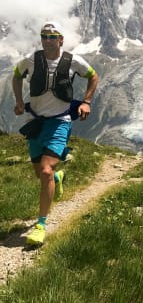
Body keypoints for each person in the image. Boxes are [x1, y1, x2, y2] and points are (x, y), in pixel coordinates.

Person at [12, 21, 99, 246]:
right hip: (35, 122)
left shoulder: (73, 61)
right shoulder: (31, 60)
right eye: (44, 36)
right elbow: (16, 75)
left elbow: (93, 76)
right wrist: (19, 101)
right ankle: (58, 178)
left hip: (60, 122)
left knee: (46, 170)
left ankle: (41, 225)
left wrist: (87, 102)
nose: (48, 40)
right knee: (39, 173)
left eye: (52, 36)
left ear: (61, 40)